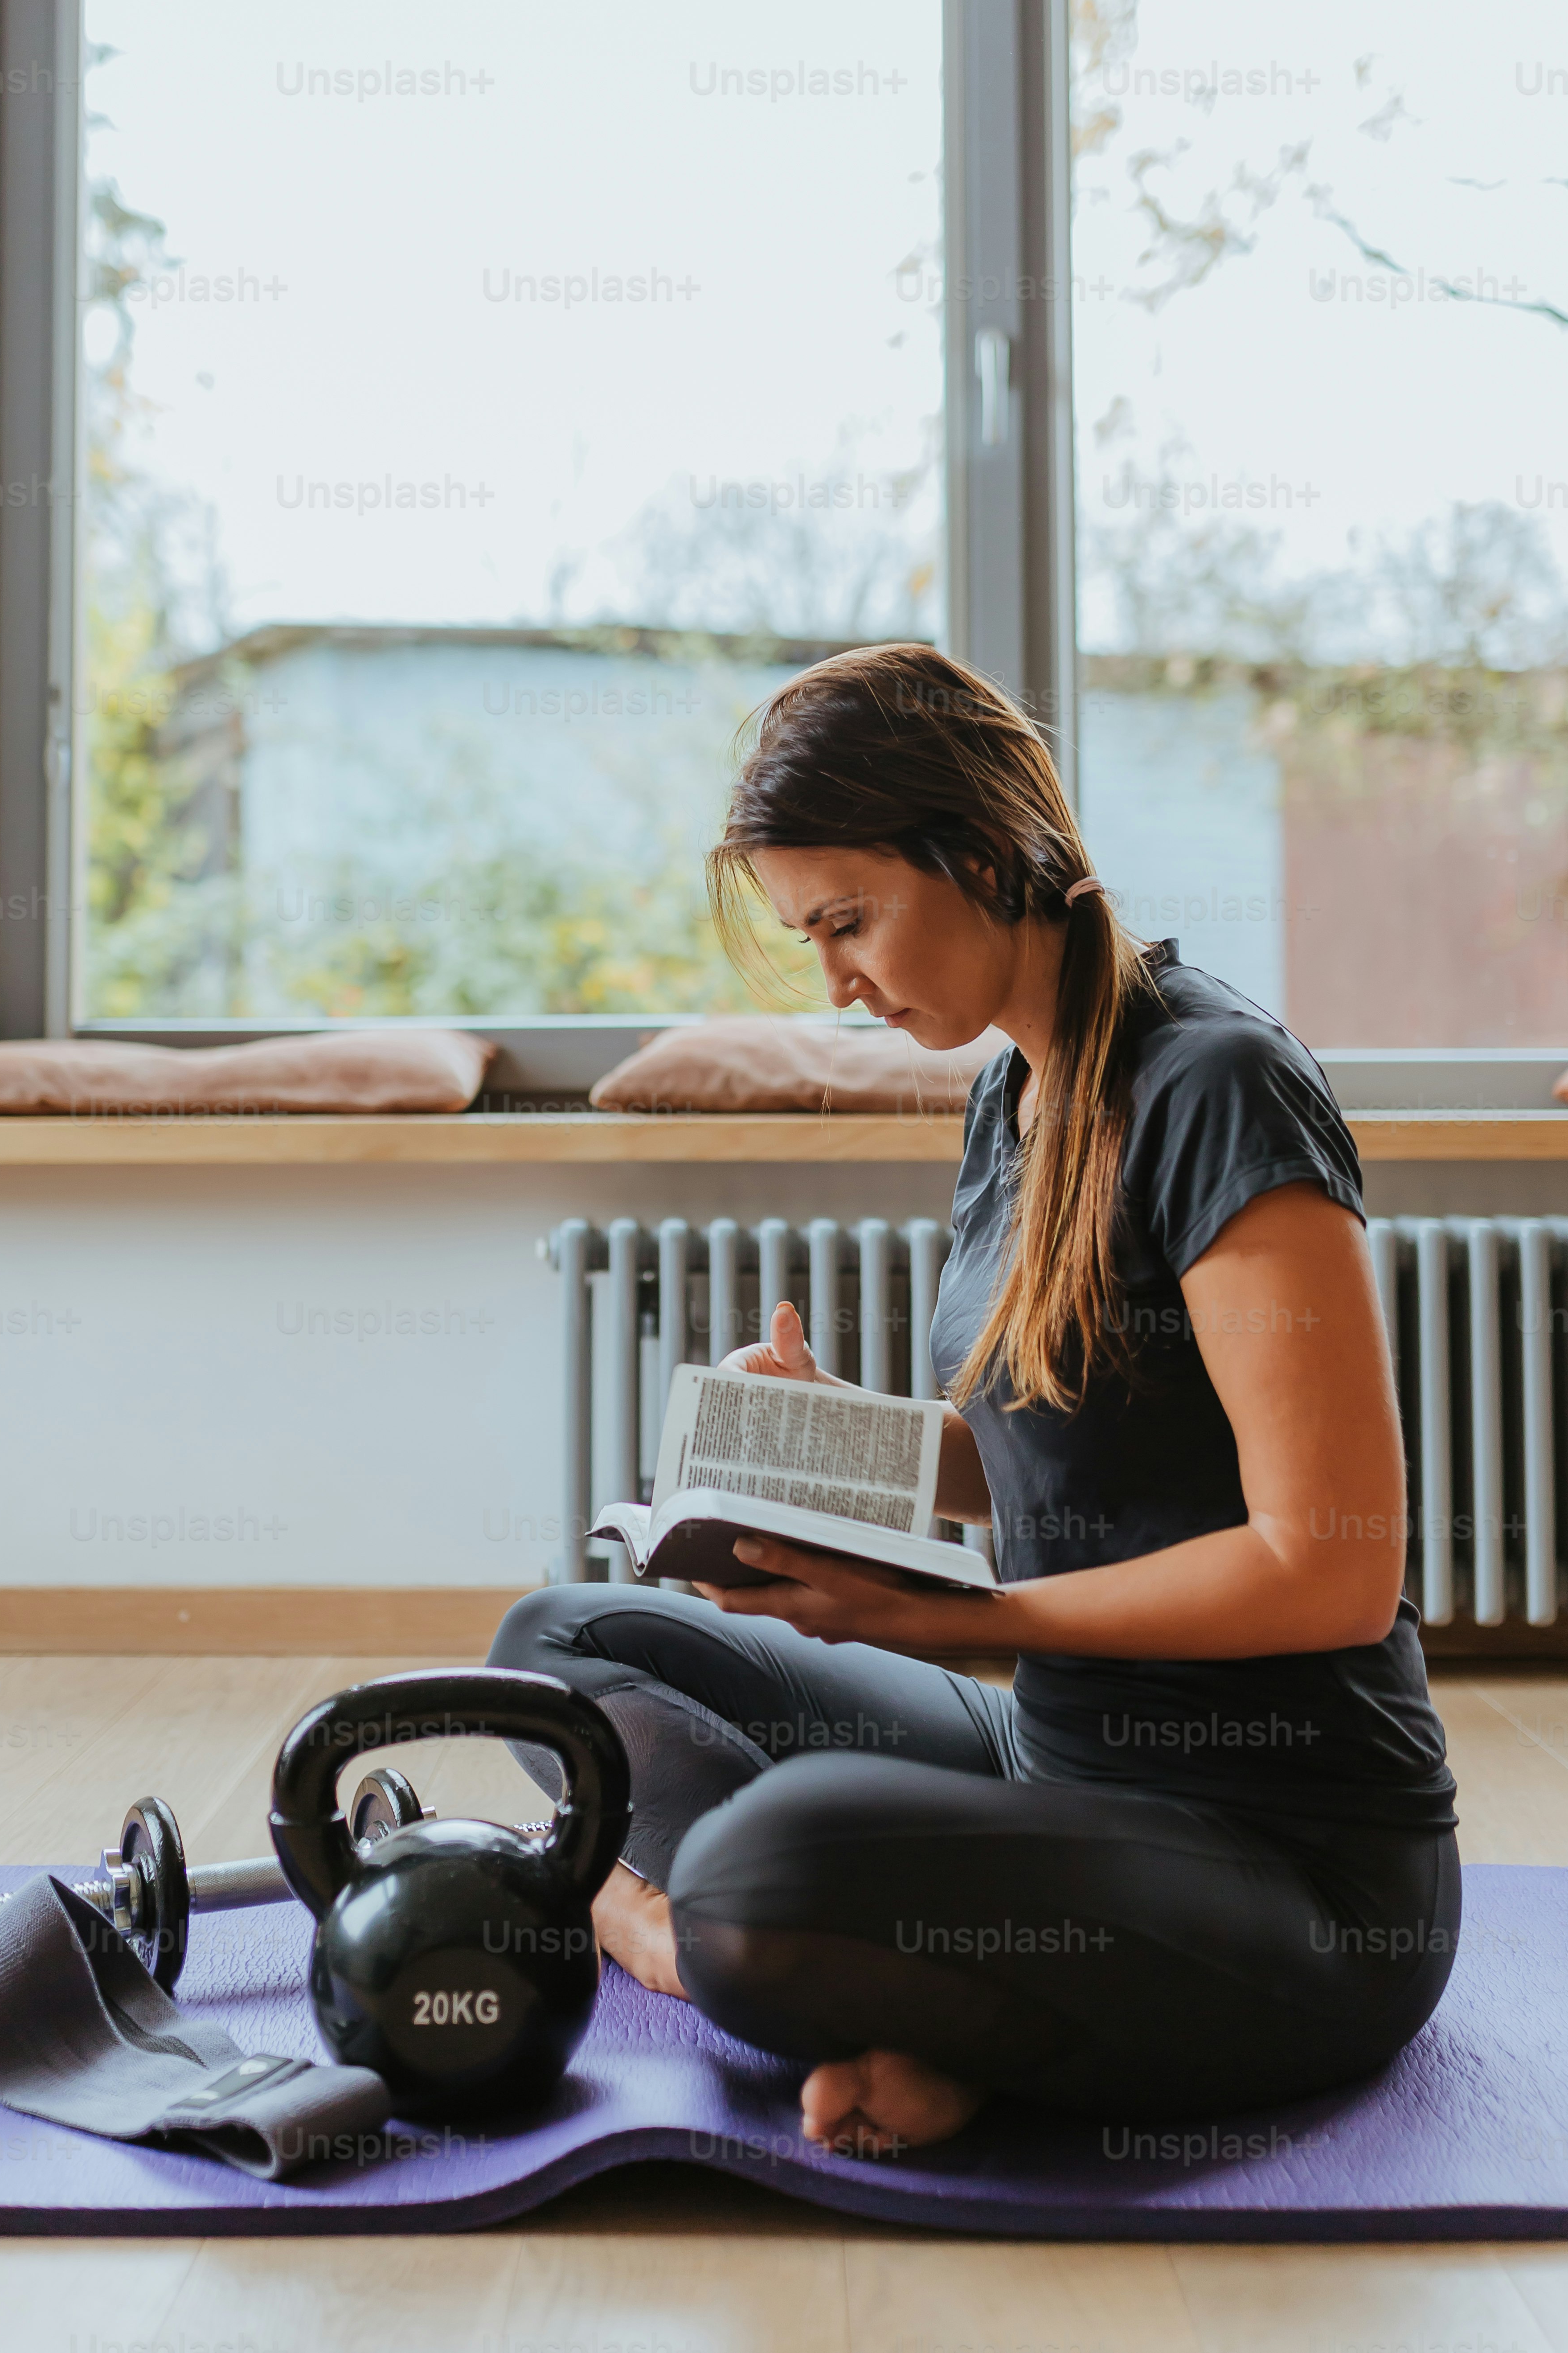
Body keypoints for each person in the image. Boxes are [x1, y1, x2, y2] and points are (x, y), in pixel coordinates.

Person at [489, 643, 1457, 2157]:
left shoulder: (1216, 1087)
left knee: (755, 1871)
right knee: (559, 1650)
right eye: (812, 938)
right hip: (1059, 1762)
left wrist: (967, 1625)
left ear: (984, 851)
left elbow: (1332, 1566)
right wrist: (816, 1445)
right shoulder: (1015, 1091)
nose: (837, 981)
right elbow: (1053, 1457)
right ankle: (929, 1999)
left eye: (851, 922)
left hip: (1291, 1862)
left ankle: (697, 1939)